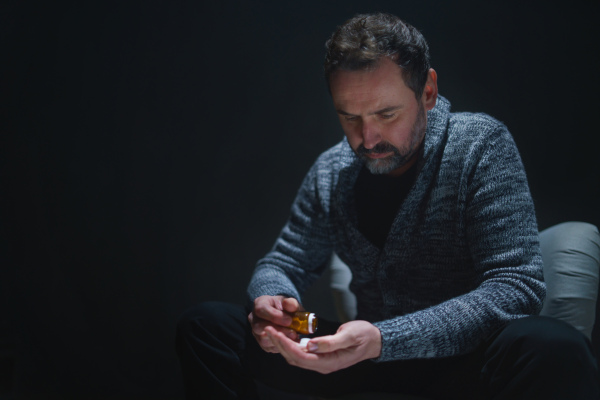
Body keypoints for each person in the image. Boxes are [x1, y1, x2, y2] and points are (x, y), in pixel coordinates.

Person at [176, 13, 599, 399]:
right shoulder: (332, 170)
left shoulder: (479, 146)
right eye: (350, 117)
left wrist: (383, 338)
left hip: (464, 367)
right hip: (363, 362)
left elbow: (516, 287)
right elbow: (284, 261)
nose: (368, 138)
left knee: (553, 346)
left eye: (387, 114)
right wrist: (273, 298)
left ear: (428, 91)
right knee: (208, 326)